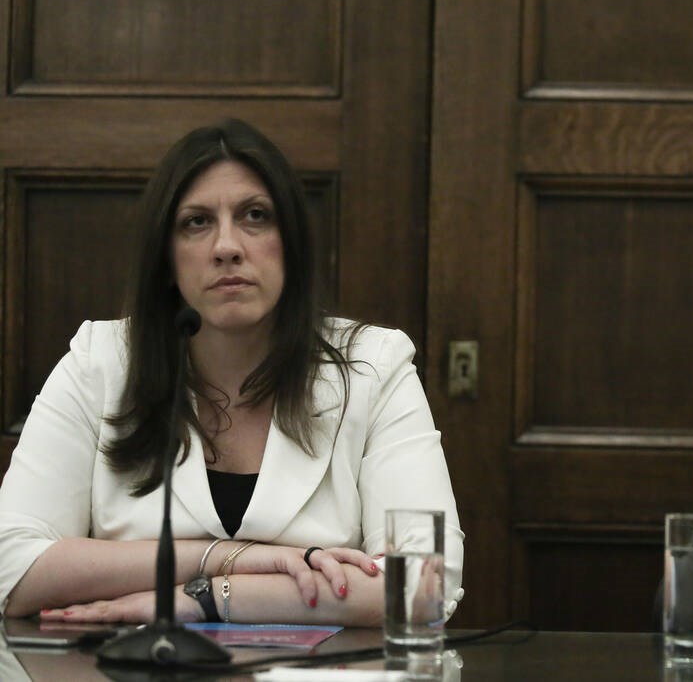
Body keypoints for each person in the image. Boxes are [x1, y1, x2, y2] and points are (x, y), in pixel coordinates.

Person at [0, 118, 463, 626]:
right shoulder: (101, 361)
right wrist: (223, 558)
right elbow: (10, 568)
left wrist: (202, 598)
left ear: (291, 242)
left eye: (255, 216)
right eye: (197, 222)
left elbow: (426, 583)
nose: (227, 246)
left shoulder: (372, 365)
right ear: (167, 257)